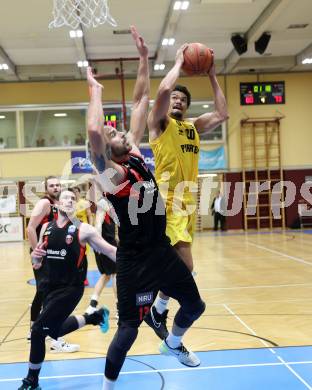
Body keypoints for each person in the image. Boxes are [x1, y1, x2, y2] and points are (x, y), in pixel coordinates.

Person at [87, 26, 205, 390]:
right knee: (127, 331)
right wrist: (95, 91)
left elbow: (140, 101)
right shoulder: (112, 174)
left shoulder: (134, 152)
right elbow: (94, 133)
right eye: (113, 133)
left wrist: (143, 59)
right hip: (134, 260)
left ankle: (172, 341)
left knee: (195, 306)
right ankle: (108, 387)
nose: (116, 130)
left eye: (117, 131)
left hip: (159, 251)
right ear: (109, 150)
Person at [146, 44, 228, 337]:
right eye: (175, 98)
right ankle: (158, 309)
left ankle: (158, 308)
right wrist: (179, 62)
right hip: (165, 205)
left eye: (183, 99)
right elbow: (162, 93)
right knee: (187, 269)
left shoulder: (192, 126)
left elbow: (222, 113)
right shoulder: (159, 123)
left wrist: (213, 75)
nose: (177, 100)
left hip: (187, 205)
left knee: (179, 268)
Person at [18, 188, 116, 390]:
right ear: (57, 204)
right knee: (53, 331)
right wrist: (35, 257)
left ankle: (31, 381)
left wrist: (139, 264)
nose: (70, 200)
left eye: (73, 198)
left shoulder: (84, 229)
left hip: (70, 289)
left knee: (37, 331)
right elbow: (37, 261)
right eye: (66, 198)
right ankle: (93, 317)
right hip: (50, 288)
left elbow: (109, 250)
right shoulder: (46, 227)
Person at [27, 176, 79, 353]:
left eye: (58, 185)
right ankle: (54, 338)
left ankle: (35, 330)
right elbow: (30, 228)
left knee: (44, 293)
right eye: (52, 185)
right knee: (50, 295)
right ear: (46, 188)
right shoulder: (44, 203)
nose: (56, 187)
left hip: (53, 255)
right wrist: (39, 252)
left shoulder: (58, 204)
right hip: (44, 255)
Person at [85, 196, 118, 317]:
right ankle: (119, 308)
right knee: (116, 274)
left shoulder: (108, 205)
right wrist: (99, 245)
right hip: (106, 245)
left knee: (106, 275)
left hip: (103, 244)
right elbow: (98, 225)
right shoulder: (103, 202)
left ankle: (92, 305)